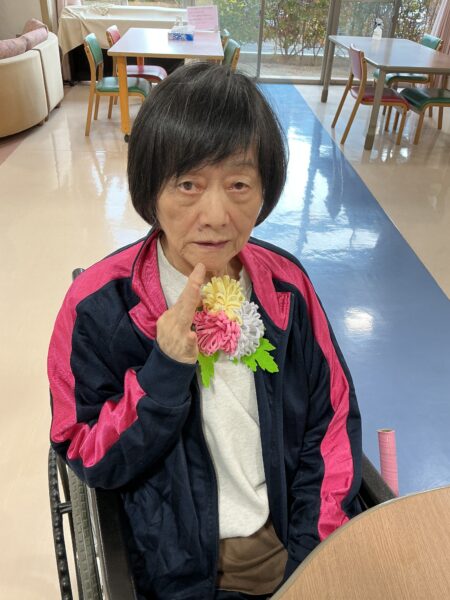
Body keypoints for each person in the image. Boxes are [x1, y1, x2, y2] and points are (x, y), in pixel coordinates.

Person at [48, 62, 362, 600]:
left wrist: (314, 560)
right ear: (150, 190)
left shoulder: (285, 289)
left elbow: (331, 423)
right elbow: (87, 454)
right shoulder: (98, 308)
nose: (216, 215)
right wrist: (163, 372)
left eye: (238, 184)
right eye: (188, 184)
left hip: (284, 551)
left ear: (264, 190)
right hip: (167, 566)